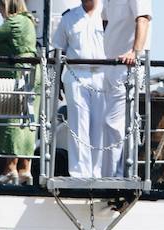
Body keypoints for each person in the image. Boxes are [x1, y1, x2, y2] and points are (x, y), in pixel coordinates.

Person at [52, 0, 105, 179]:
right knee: (78, 125)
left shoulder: (108, 15)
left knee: (100, 125)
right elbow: (58, 51)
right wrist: (57, 80)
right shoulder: (69, 18)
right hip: (76, 74)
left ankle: (97, 173)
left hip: (102, 76)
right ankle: (79, 174)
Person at [99, 0, 151, 178]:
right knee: (112, 123)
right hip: (111, 63)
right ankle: (111, 175)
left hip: (126, 66)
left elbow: (143, 19)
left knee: (113, 123)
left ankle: (116, 176)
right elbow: (105, 20)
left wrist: (135, 52)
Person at [0, 0, 37, 185]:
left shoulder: (15, 20)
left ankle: (10, 169)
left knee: (11, 120)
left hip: (17, 74)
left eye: (1, 6)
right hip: (31, 74)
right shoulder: (29, 21)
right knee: (27, 123)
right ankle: (25, 169)